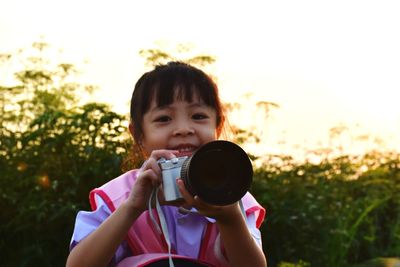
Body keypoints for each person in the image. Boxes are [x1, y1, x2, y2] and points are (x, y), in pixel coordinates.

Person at [66, 61, 267, 267]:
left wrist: (231, 219)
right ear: (138, 135)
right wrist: (132, 208)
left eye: (198, 116)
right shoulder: (120, 196)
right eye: (164, 119)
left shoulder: (231, 194)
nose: (183, 129)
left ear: (218, 125)